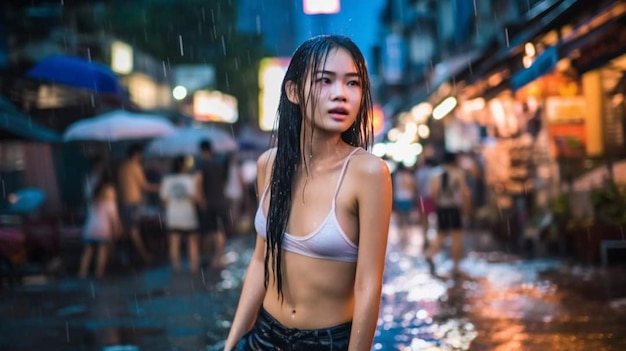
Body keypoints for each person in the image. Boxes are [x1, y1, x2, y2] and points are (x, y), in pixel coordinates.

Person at [224, 35, 392, 351]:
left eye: (353, 83)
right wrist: (232, 342)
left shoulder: (368, 173)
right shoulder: (268, 165)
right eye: (324, 81)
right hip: (263, 337)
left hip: (327, 343)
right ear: (293, 91)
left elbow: (368, 285)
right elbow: (261, 261)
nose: (340, 94)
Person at [425, 151, 471, 278]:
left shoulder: (435, 173)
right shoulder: (458, 173)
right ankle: (456, 266)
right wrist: (466, 211)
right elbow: (464, 193)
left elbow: (431, 193)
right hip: (454, 208)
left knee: (441, 234)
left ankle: (430, 254)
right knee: (457, 236)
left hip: (441, 208)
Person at [117, 144, 159, 264]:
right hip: (133, 202)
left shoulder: (122, 167)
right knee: (133, 230)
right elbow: (145, 186)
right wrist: (159, 187)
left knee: (127, 231)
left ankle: (127, 256)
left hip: (123, 203)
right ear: (136, 154)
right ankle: (144, 255)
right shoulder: (135, 167)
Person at [160, 156, 200, 274]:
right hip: (188, 216)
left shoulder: (167, 180)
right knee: (192, 241)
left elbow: (164, 201)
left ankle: (176, 268)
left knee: (174, 242)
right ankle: (194, 267)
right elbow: (195, 199)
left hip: (173, 216)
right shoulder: (190, 180)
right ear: (184, 166)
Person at [78, 176, 122, 279]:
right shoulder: (109, 199)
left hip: (90, 228)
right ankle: (99, 273)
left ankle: (82, 274)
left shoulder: (93, 199)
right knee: (102, 251)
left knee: (87, 251)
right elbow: (113, 216)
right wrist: (117, 227)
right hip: (103, 228)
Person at [195, 140, 230, 269]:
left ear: (202, 150)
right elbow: (224, 182)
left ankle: (216, 259)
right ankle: (218, 257)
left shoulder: (201, 164)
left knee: (213, 231)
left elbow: (198, 180)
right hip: (220, 200)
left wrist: (200, 199)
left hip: (209, 202)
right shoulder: (218, 163)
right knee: (219, 231)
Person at [392, 162, 416, 244]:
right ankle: (407, 235)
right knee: (407, 218)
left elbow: (394, 188)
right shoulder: (408, 176)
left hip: (398, 198)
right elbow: (412, 187)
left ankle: (401, 235)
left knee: (400, 218)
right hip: (407, 198)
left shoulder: (396, 176)